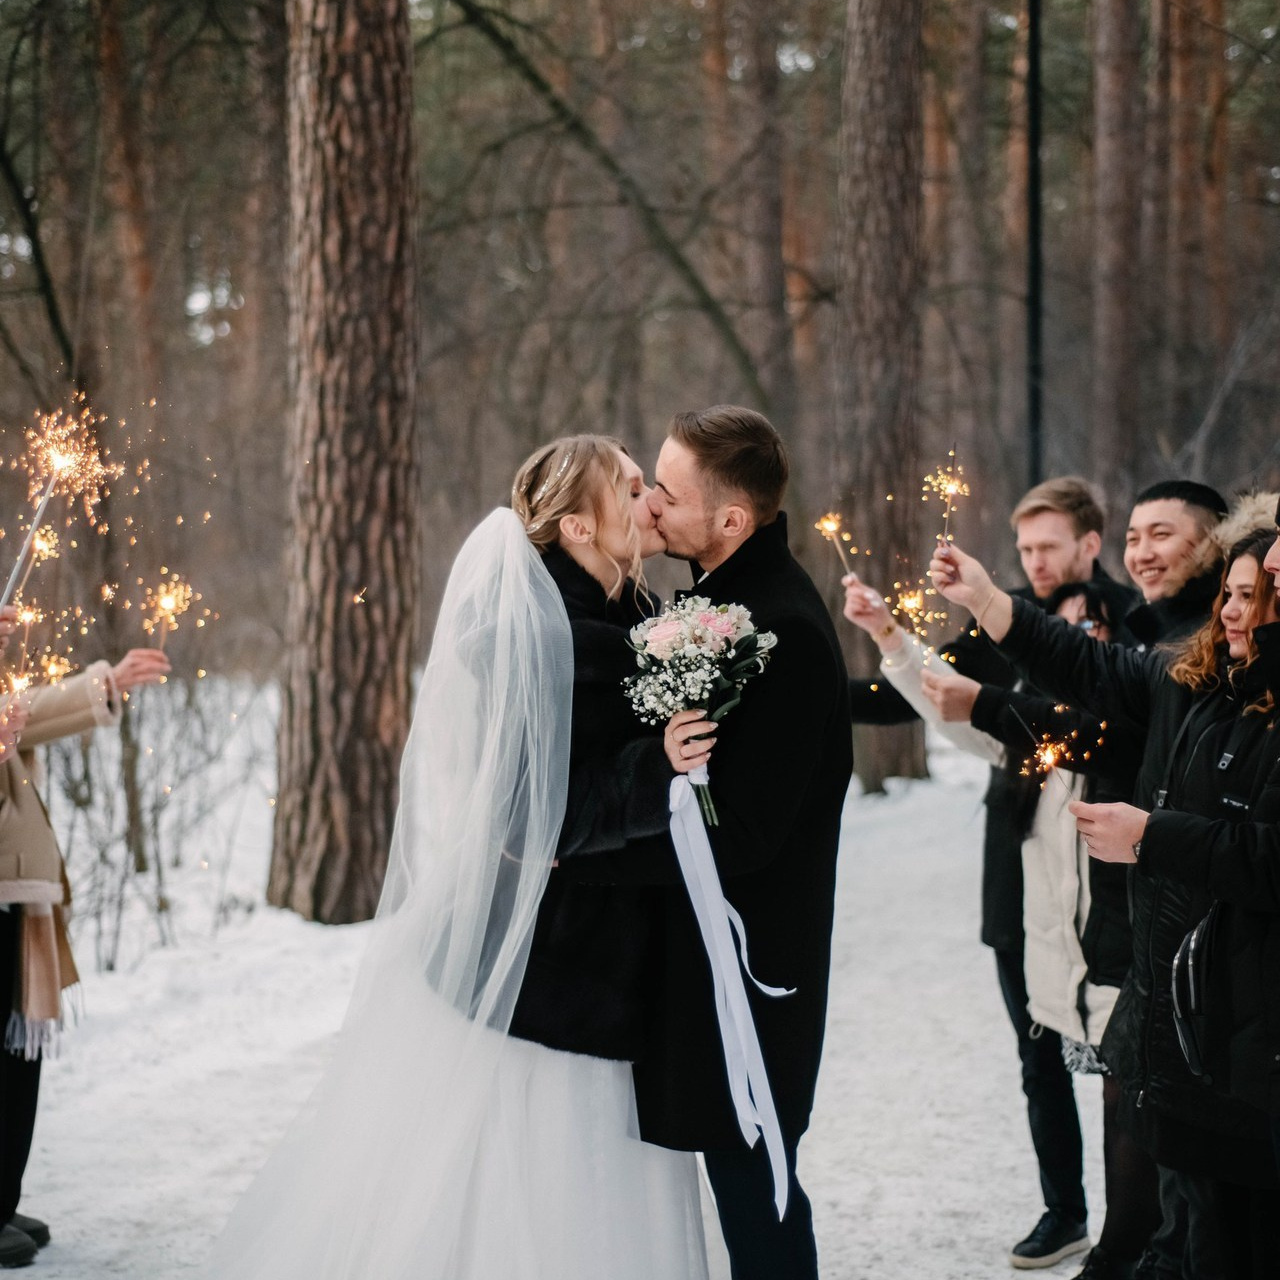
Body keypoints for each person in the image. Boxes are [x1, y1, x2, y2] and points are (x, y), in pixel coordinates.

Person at [208, 436, 711, 1280]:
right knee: (538, 1189)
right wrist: (653, 765)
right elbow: (524, 815)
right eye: (630, 489)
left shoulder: (629, 615)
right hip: (553, 980)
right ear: (582, 527)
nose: (648, 500)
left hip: (607, 959)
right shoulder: (549, 641)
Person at [930, 509, 1280, 1280]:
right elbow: (1089, 674)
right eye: (1233, 590)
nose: (1233, 609)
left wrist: (1150, 835)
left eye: (1261, 594)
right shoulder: (1193, 681)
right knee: (1175, 1228)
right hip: (1177, 1012)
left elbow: (1265, 857)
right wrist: (989, 599)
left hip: (1246, 1032)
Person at [849, 476, 1133, 1271]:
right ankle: (1064, 1212)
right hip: (1018, 861)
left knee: (1124, 1067)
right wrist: (872, 649)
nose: (1035, 563)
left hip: (1104, 868)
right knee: (1035, 1053)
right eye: (1025, 549)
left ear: (1090, 543)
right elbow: (934, 696)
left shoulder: (1123, 621)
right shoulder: (1003, 616)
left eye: (1049, 547)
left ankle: (1133, 1224)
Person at [622, 405, 851, 1280]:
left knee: (758, 1184)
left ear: (731, 521)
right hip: (710, 959)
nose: (647, 504)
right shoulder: (724, 602)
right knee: (743, 1177)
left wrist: (599, 852)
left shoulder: (780, 629)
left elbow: (747, 834)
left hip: (754, 972)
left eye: (664, 493)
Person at [0, 618, 171, 1271]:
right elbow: (19, 714)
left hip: (18, 884)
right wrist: (103, 680)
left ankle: (2, 1197)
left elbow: (19, 717)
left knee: (19, 1050)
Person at [1122, 481, 1228, 652]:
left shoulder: (1228, 633)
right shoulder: (1135, 631)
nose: (1142, 555)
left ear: (1212, 542)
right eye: (1133, 539)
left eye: (1160, 534)